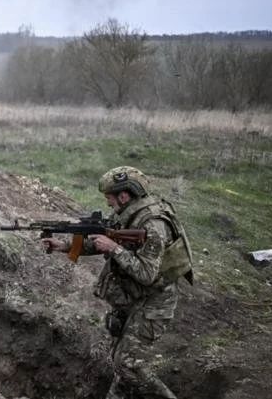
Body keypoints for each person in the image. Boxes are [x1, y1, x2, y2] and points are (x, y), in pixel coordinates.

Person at [42, 166, 192, 399]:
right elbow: (103, 239)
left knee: (127, 363)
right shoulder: (126, 213)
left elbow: (147, 273)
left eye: (109, 197)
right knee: (117, 356)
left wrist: (114, 249)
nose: (107, 201)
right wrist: (66, 246)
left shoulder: (153, 224)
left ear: (124, 195)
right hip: (133, 294)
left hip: (155, 301)